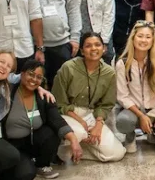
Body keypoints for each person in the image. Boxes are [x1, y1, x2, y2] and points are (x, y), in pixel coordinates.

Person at [3, 60, 83, 180]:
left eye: (39, 77)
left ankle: (42, 165)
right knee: (24, 176)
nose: (34, 79)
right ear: (22, 74)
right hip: (12, 144)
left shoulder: (44, 97)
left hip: (32, 141)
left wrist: (74, 140)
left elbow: (56, 120)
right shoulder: (8, 91)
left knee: (51, 132)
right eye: (31, 74)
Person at [52, 32, 126, 163]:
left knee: (117, 153)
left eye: (97, 45)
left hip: (92, 115)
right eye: (88, 46)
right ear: (82, 50)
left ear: (104, 48)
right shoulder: (68, 68)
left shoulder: (109, 72)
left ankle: (82, 148)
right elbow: (60, 103)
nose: (93, 49)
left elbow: (106, 105)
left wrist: (98, 125)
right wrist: (81, 122)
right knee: (80, 133)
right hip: (68, 113)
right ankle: (71, 144)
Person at [113, 21, 155, 154]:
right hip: (133, 111)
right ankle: (130, 136)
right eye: (140, 36)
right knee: (124, 121)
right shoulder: (122, 63)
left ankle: (153, 133)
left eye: (148, 37)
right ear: (133, 38)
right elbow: (122, 96)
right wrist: (141, 116)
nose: (144, 40)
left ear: (153, 40)